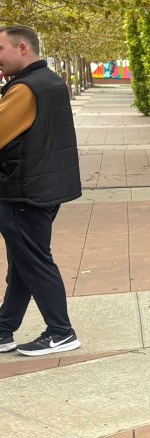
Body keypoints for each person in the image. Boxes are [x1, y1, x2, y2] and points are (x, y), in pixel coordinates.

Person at [0, 25, 82, 356]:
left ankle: (61, 330)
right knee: (24, 260)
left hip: (23, 190)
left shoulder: (25, 89)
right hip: (44, 187)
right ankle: (4, 328)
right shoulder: (51, 82)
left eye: (0, 50)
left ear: (22, 49)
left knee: (33, 260)